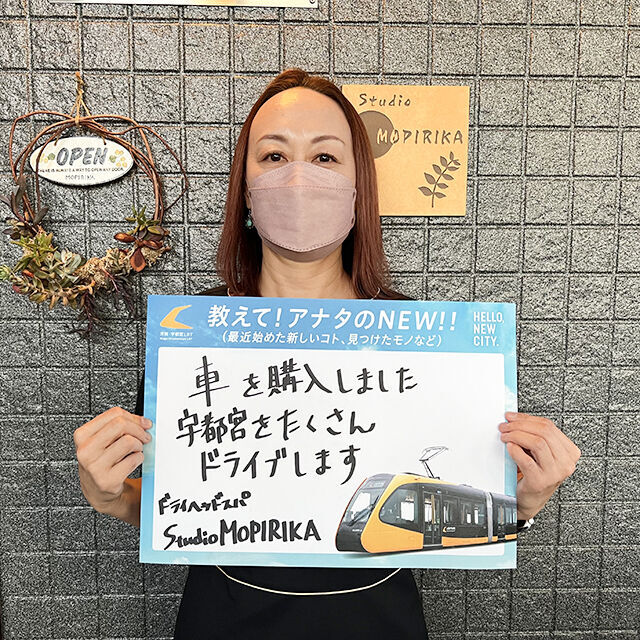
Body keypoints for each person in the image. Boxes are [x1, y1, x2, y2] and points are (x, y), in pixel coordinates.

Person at [74, 68, 581, 639]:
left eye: (325, 157)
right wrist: (111, 495)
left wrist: (523, 503)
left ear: (358, 188)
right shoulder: (195, 331)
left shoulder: (422, 336)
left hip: (378, 622)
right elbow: (169, 503)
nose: (298, 178)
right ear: (245, 189)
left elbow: (462, 506)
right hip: (224, 616)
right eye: (273, 156)